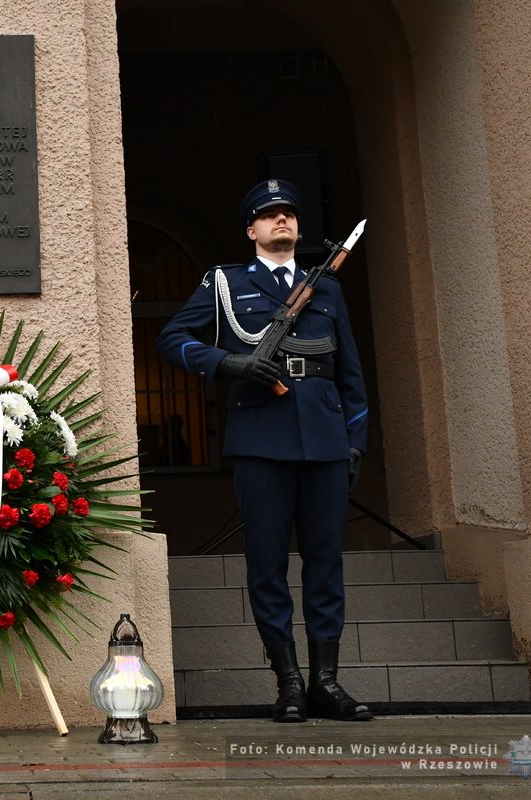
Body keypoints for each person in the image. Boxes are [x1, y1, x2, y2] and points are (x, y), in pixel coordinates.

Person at [157, 179, 372, 722]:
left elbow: (349, 373)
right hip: (261, 442)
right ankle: (289, 683)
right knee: (268, 565)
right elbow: (172, 339)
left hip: (325, 443)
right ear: (250, 230)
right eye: (269, 213)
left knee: (326, 565)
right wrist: (229, 363)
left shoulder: (326, 289)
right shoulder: (227, 283)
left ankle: (326, 682)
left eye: (289, 213)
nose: (282, 220)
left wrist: (354, 442)